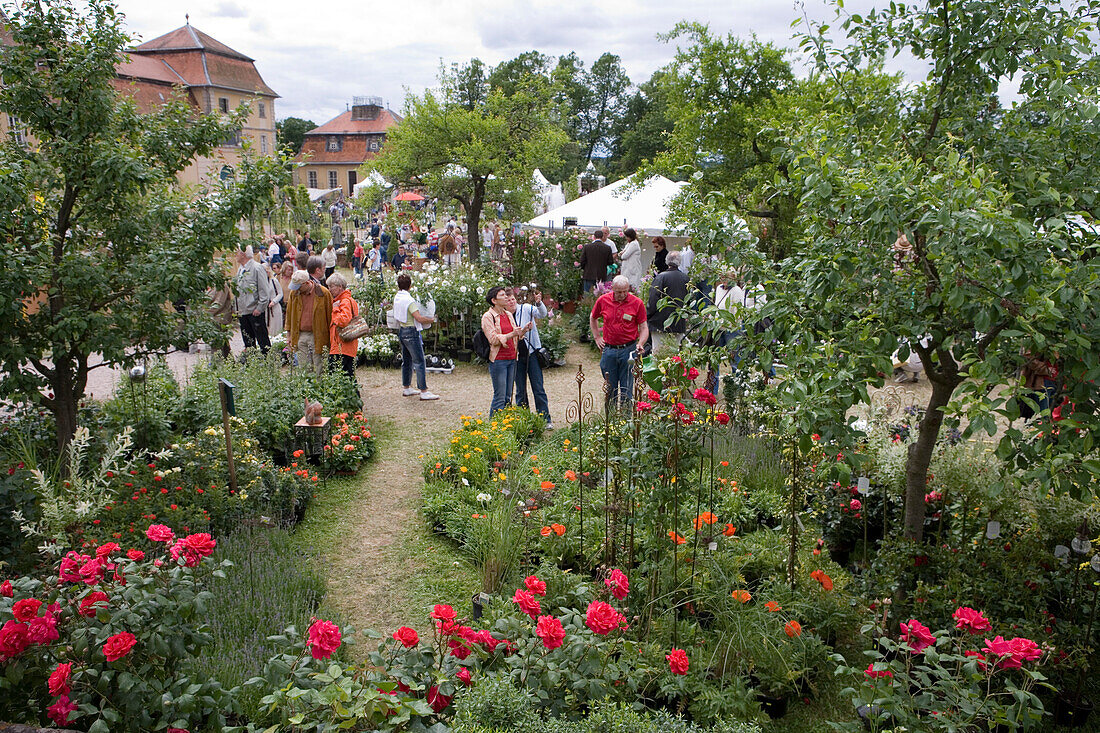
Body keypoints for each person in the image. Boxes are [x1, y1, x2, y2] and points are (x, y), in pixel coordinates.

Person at [590, 275, 648, 410]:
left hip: (629, 350)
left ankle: (625, 419)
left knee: (627, 388)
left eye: (625, 291)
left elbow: (644, 328)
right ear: (612, 289)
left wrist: (641, 343)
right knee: (610, 387)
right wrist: (597, 337)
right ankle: (609, 419)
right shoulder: (603, 300)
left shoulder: (637, 303)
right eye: (619, 292)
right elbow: (593, 318)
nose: (622, 295)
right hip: (609, 350)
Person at [482, 285, 531, 416]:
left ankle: (505, 425)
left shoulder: (508, 314)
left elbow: (516, 334)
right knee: (500, 397)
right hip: (499, 361)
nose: (506, 297)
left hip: (512, 359)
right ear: (494, 300)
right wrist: (511, 334)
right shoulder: (488, 317)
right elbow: (493, 339)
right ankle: (494, 428)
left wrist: (524, 330)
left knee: (508, 397)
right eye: (502, 295)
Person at [392, 273, 439, 400]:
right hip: (412, 332)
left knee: (406, 361)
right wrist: (430, 320)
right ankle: (423, 390)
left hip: (402, 330)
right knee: (419, 361)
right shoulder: (409, 300)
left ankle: (406, 387)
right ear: (410, 286)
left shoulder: (397, 297)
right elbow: (418, 317)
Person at [513, 286, 553, 428]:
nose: (510, 302)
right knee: (520, 390)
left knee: (538, 387)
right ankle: (524, 419)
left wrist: (538, 302)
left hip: (532, 354)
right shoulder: (503, 315)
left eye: (512, 299)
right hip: (516, 357)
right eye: (507, 300)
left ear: (515, 299)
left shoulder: (526, 308)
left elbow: (542, 314)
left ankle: (545, 419)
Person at [285, 267, 333, 376]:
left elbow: (330, 316)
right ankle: (306, 390)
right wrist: (288, 335)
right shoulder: (294, 294)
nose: (296, 289)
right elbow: (289, 315)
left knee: (319, 366)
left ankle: (320, 390)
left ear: (306, 283)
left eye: (298, 287)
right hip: (300, 334)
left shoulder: (323, 293)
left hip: (318, 335)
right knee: (304, 368)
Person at [647, 251, 690, 354]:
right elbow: (688, 301)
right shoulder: (686, 279)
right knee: (676, 355)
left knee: (658, 353)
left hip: (659, 323)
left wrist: (648, 315)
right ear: (679, 262)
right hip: (678, 322)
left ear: (667, 262)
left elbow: (653, 299)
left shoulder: (660, 277)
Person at [234, 248, 271, 355]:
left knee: (262, 340)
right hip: (243, 311)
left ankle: (268, 362)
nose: (235, 255)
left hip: (254, 311)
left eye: (237, 252)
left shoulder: (257, 268)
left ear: (243, 254)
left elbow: (264, 290)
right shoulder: (240, 269)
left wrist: (260, 308)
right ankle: (251, 361)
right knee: (248, 341)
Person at [326, 272, 359, 383]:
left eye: (331, 286)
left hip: (341, 345)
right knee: (349, 376)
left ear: (340, 287)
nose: (329, 289)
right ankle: (354, 399)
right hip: (348, 345)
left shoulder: (343, 302)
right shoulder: (350, 300)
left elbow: (342, 321)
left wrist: (335, 309)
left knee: (334, 376)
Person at [264, 263, 285, 338]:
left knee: (275, 328)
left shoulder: (274, 281)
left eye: (266, 271)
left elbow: (280, 293)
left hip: (274, 308)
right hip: (265, 308)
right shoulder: (260, 282)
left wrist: (274, 301)